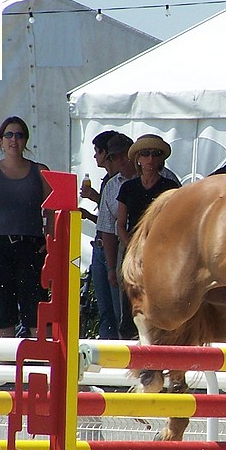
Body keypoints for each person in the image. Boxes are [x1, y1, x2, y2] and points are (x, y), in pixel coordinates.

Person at [0, 116, 51, 338]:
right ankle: (4, 369)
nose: (14, 140)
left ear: (25, 141)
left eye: (19, 135)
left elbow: (52, 210)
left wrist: (49, 242)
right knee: (2, 310)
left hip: (31, 246)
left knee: (36, 309)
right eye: (9, 135)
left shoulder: (40, 171)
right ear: (1, 141)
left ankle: (40, 364)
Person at [116, 134, 180, 338]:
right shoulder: (128, 187)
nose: (150, 159)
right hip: (132, 251)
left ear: (161, 160)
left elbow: (176, 225)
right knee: (129, 301)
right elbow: (120, 223)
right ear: (138, 159)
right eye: (145, 153)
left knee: (161, 298)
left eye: (155, 154)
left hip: (161, 252)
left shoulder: (169, 187)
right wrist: (132, 249)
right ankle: (126, 344)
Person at [95, 133, 134, 339]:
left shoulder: (166, 179)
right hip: (121, 248)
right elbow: (109, 229)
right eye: (115, 157)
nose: (121, 160)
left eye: (123, 155)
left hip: (152, 249)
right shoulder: (111, 185)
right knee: (117, 313)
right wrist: (111, 267)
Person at [84, 131, 120, 339]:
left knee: (115, 309)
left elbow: (115, 217)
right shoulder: (108, 179)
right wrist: (90, 213)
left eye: (97, 151)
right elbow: (107, 219)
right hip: (101, 245)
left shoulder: (118, 180)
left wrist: (93, 198)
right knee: (106, 309)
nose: (95, 157)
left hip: (111, 246)